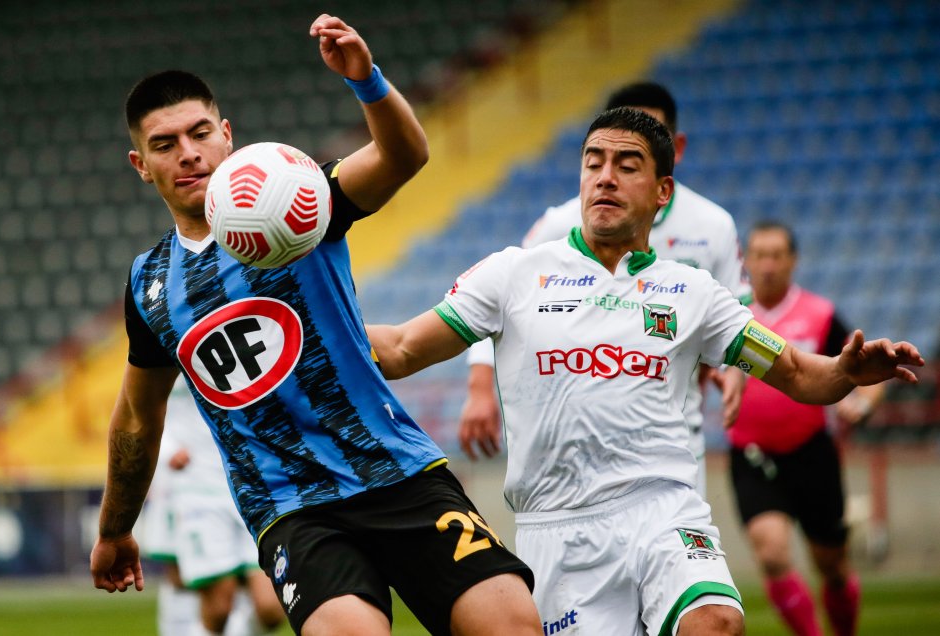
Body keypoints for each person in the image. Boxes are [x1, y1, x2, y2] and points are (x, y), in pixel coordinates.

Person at [365, 107, 923, 635]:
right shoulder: (513, 274)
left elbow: (802, 375)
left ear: (663, 192)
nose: (604, 177)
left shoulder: (693, 292)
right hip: (557, 529)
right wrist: (305, 335)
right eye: (593, 163)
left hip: (663, 512)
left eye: (626, 166)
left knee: (715, 620)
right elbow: (401, 349)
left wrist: (847, 370)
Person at [89, 14, 542, 636]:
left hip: (398, 471)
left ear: (227, 135)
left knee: (511, 624)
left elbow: (404, 155)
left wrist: (367, 82)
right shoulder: (149, 284)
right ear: (141, 165)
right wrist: (115, 529)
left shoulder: (293, 196)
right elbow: (138, 418)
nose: (189, 153)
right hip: (293, 509)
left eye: (199, 133)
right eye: (165, 145)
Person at [459, 81, 748, 497]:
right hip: (578, 451)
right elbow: (500, 299)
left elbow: (738, 320)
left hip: (676, 437)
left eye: (649, 133)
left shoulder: (713, 226)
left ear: (676, 147)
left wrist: (735, 370)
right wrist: (479, 387)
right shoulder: (563, 224)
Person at [727, 221, 884, 636]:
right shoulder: (729, 314)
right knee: (773, 555)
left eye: (777, 255)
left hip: (812, 452)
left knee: (831, 566)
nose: (768, 264)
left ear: (792, 260)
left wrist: (863, 404)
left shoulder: (821, 314)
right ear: (747, 260)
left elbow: (868, 366)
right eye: (759, 254)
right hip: (753, 454)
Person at [138, 376, 285, 636]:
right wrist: (168, 450)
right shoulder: (170, 352)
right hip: (198, 490)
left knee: (272, 609)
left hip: (250, 489)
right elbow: (143, 411)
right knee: (217, 606)